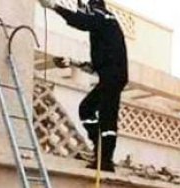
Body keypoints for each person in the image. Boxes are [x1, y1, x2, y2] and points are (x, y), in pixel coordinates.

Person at [38, 0, 128, 172]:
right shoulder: (104, 29)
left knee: (107, 117)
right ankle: (100, 150)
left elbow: (80, 21)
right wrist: (71, 62)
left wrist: (54, 7)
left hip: (112, 77)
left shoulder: (101, 16)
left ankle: (105, 160)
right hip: (111, 76)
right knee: (87, 109)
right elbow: (95, 66)